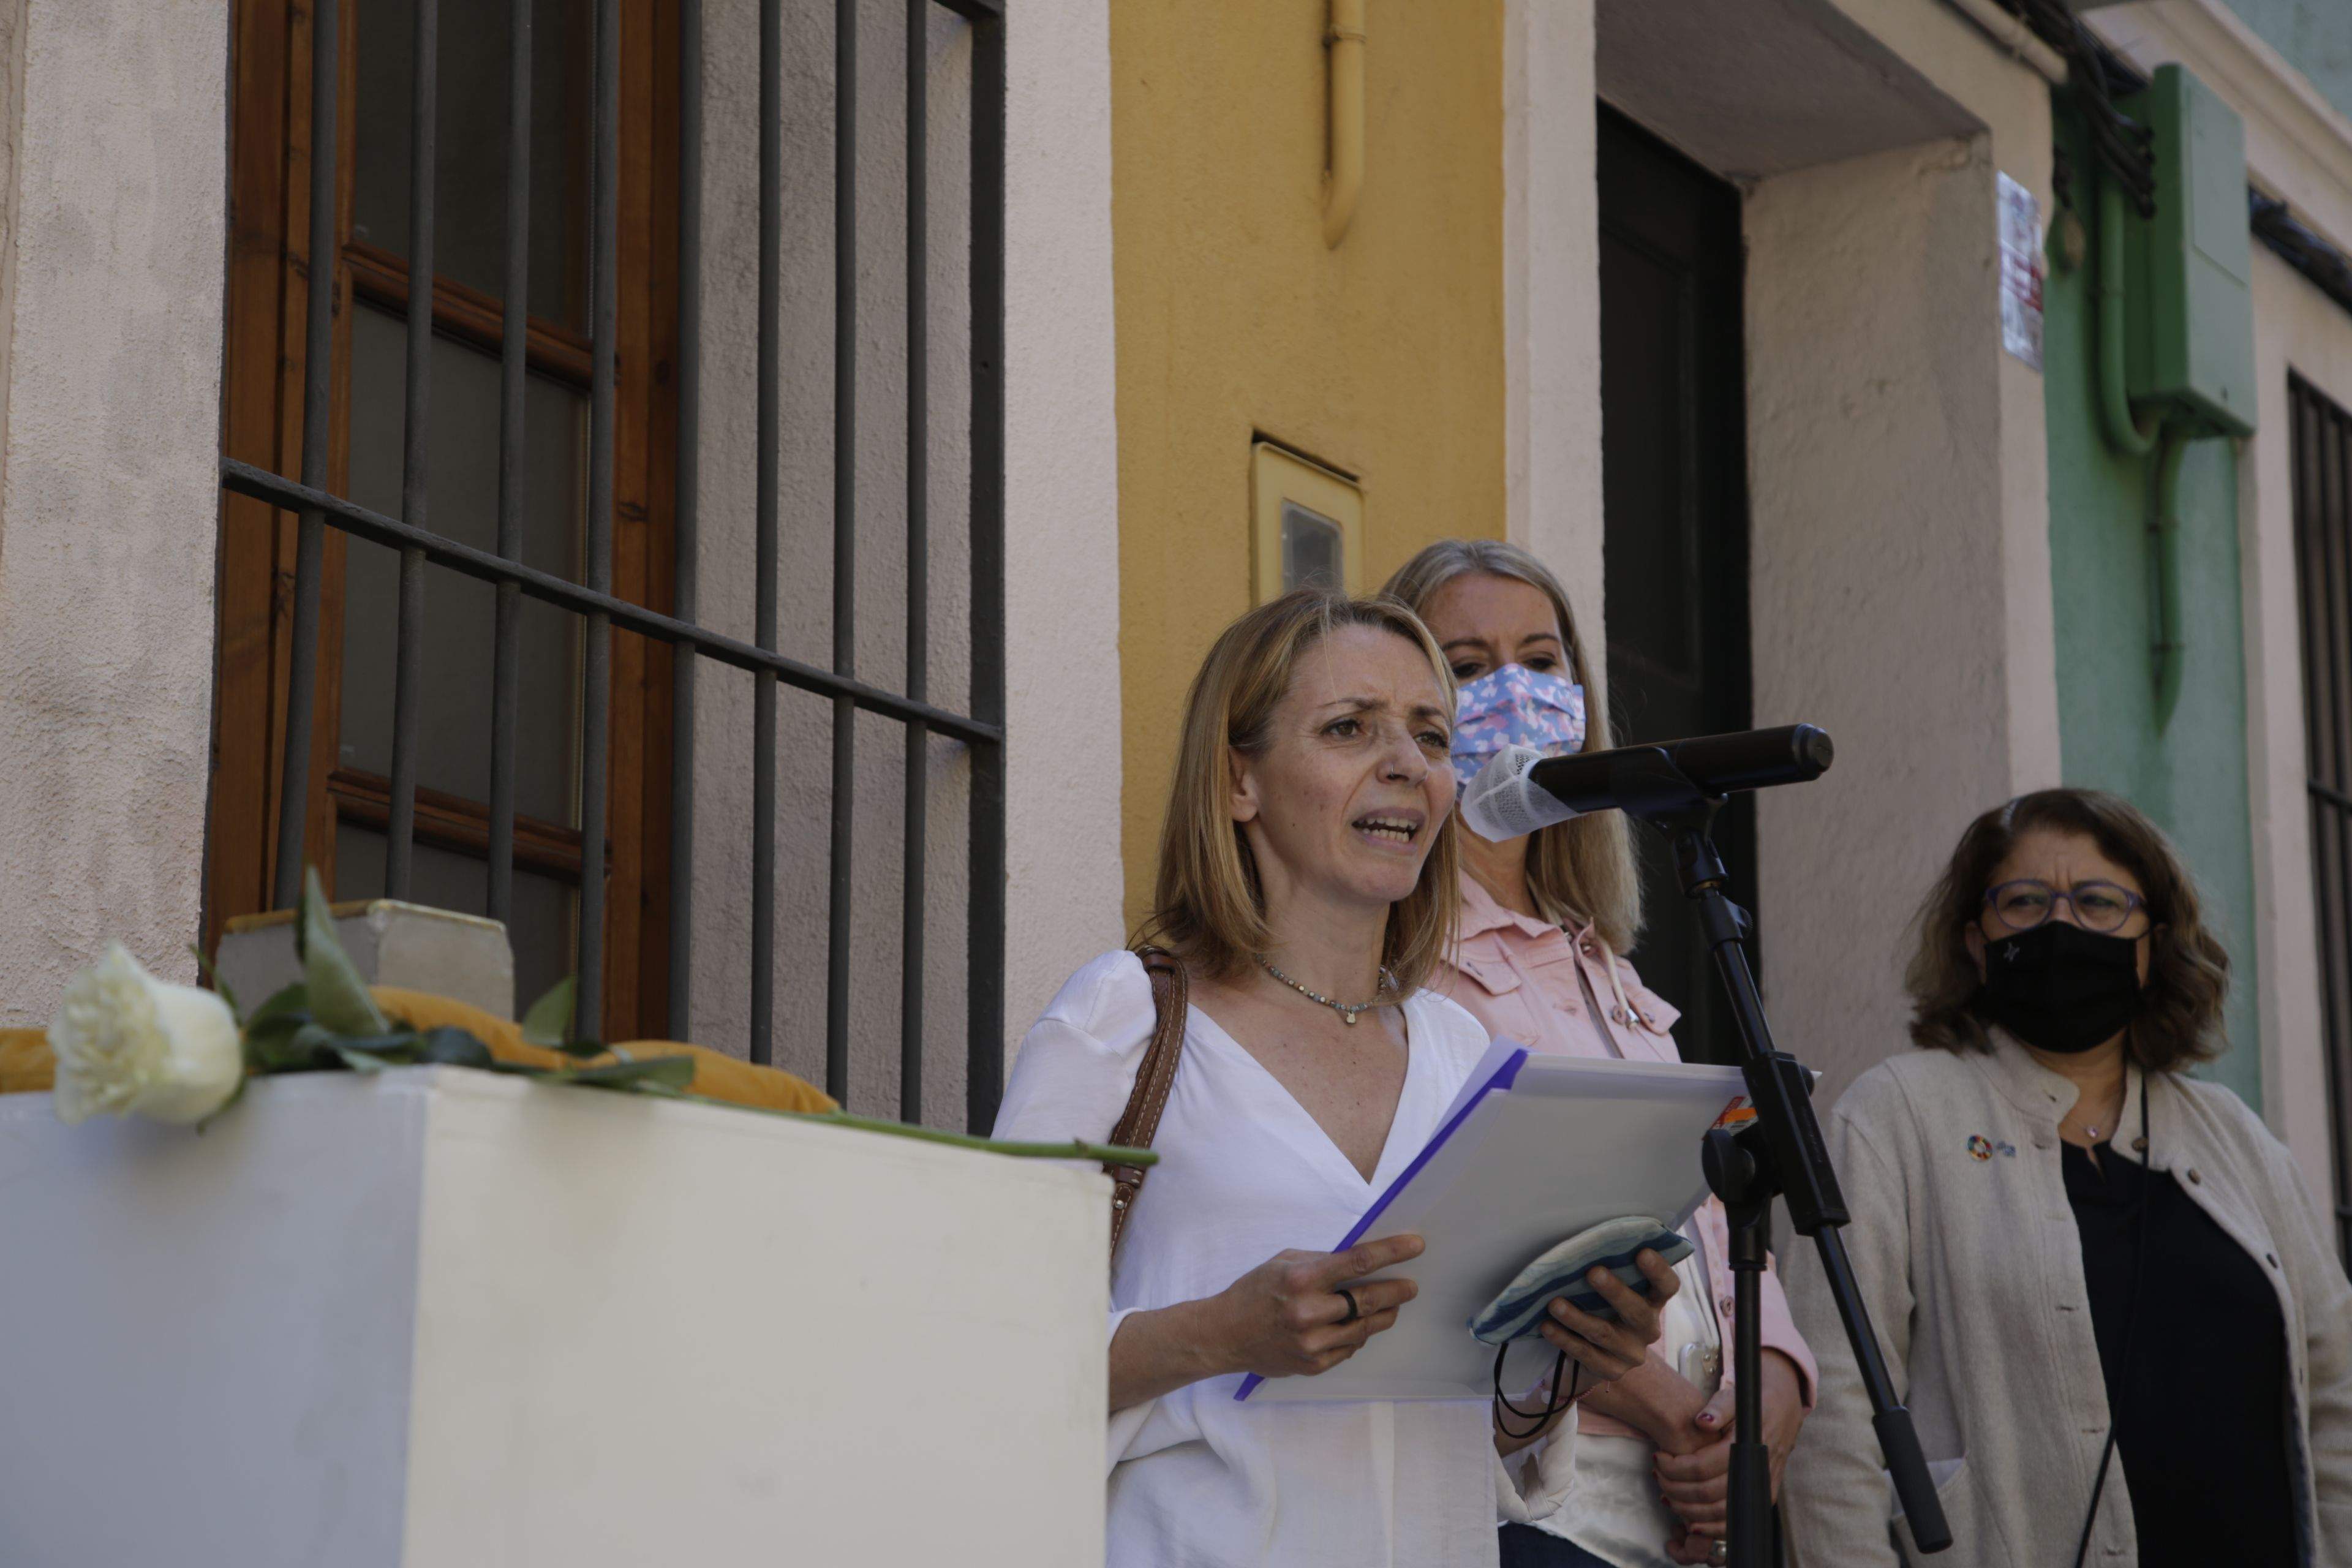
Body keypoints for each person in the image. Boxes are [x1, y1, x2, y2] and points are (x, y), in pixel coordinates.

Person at [993, 589, 1681, 1567]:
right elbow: (983, 1350)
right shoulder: (1124, 1019)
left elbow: (1475, 1424)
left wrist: (1562, 1365)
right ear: (1241, 783)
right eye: (1350, 728)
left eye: (1431, 736)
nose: (1407, 764)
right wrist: (1220, 1334)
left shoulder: (1462, 1055)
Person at [1780, 788, 2352, 1567]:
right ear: (1976, 940)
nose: (2062, 926)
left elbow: (2337, 1396)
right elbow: (1832, 1416)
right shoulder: (1897, 1116)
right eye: (2023, 901)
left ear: (2153, 943)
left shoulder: (2238, 1141)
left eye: (2098, 902)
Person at [1385, 539, 1817, 1568]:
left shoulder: (1605, 964)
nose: (1516, 690)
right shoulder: (1401, 962)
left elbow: (1708, 1211)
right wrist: (1681, 1420)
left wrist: (1773, 1391)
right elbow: (1472, 1247)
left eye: (1541, 661)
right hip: (1538, 1500)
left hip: (1692, 1511)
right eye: (1471, 663)